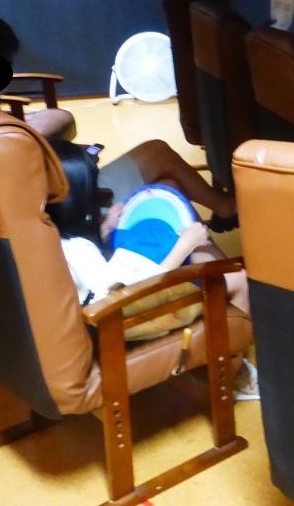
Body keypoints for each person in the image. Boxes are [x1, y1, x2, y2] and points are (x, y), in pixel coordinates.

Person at [46, 139, 257, 397]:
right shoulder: (80, 250)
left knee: (169, 192)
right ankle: (229, 374)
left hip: (113, 291)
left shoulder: (56, 237)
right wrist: (184, 246)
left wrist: (106, 229)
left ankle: (214, 300)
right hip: (125, 313)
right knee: (239, 280)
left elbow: (95, 275)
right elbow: (126, 294)